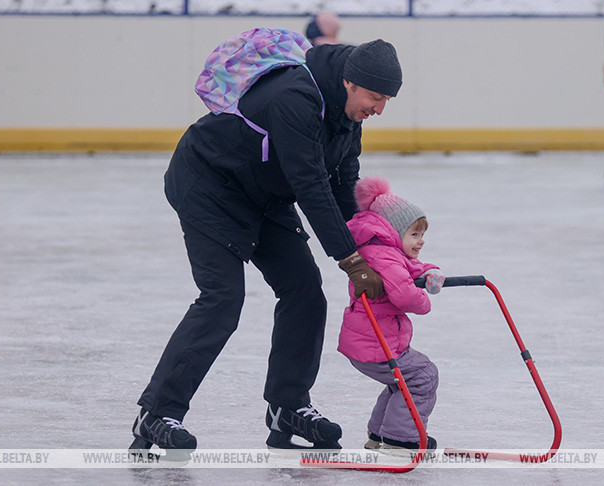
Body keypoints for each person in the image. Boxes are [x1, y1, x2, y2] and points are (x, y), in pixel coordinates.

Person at [129, 37, 404, 455]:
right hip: (210, 185)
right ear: (349, 82)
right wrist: (350, 261)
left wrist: (371, 250)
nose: (379, 109)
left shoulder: (349, 114)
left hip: (264, 192)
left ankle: (288, 406)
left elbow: (344, 184)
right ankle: (156, 412)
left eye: (386, 100)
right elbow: (310, 186)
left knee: (306, 294)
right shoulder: (295, 96)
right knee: (222, 298)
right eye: (374, 97)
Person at [337, 176, 445, 451]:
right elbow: (405, 294)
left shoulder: (383, 250)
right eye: (414, 234)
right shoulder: (384, 255)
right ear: (393, 232)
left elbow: (409, 267)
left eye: (422, 234)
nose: (421, 242)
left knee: (404, 380)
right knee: (422, 376)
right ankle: (400, 439)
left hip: (373, 341)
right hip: (376, 345)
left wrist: (430, 271)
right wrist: (424, 300)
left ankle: (379, 435)